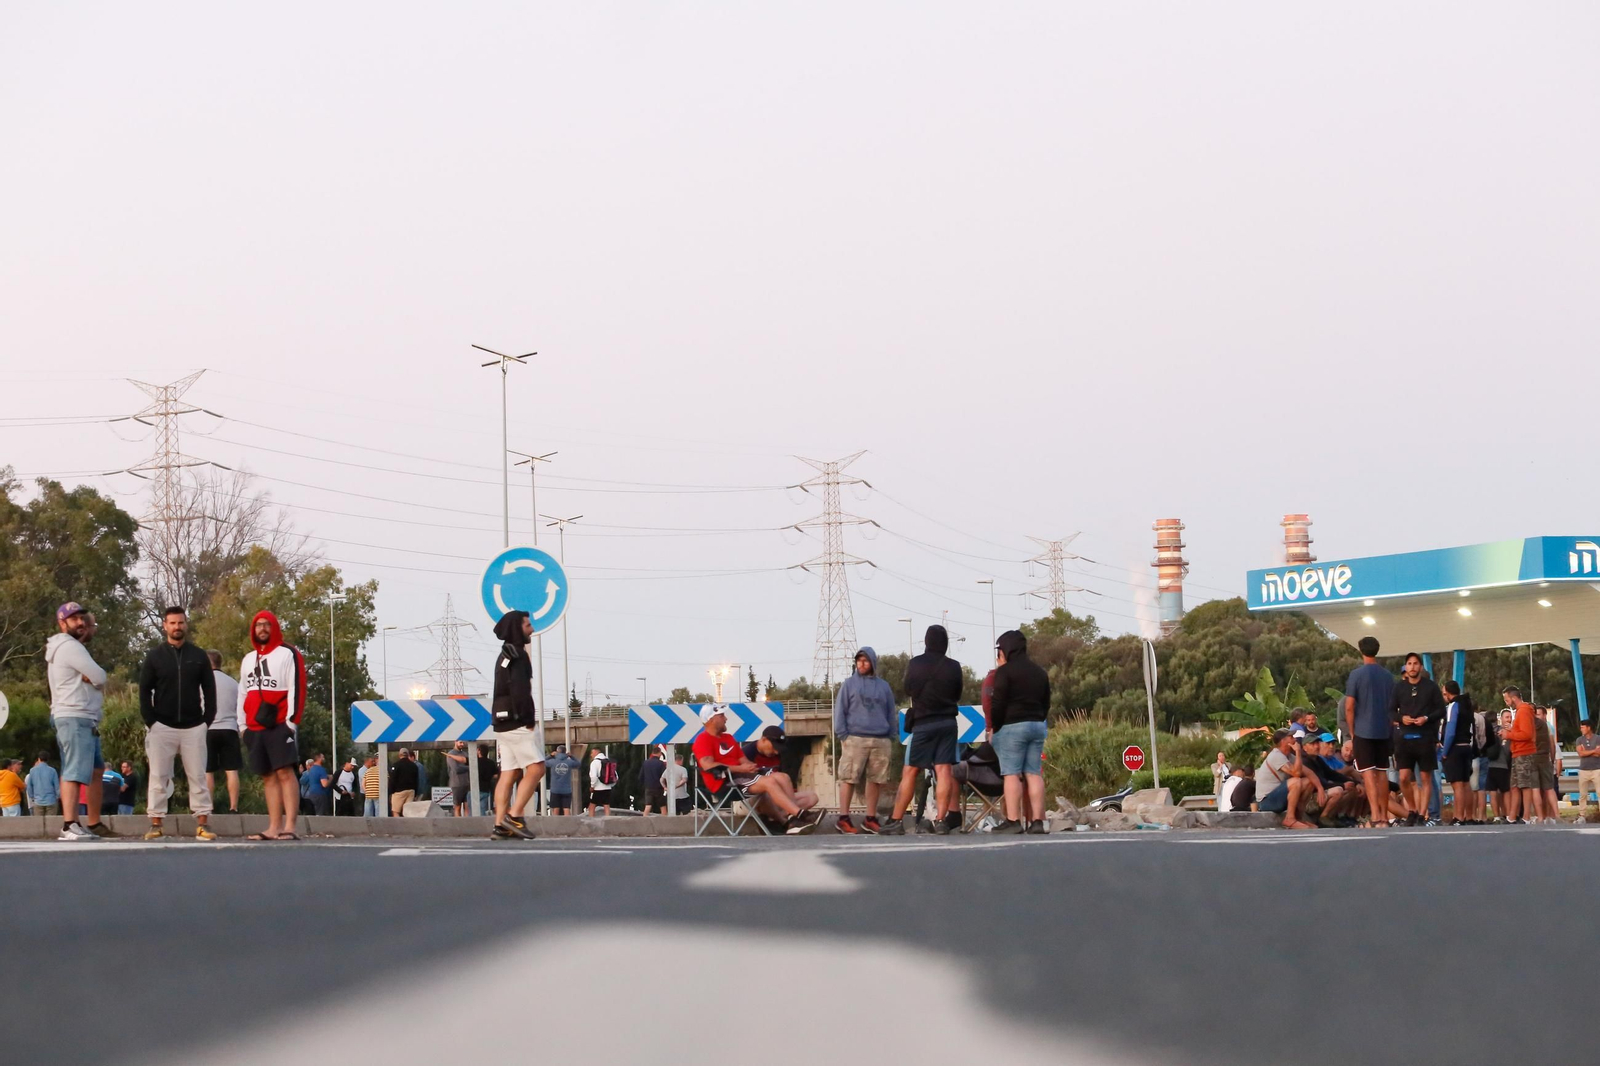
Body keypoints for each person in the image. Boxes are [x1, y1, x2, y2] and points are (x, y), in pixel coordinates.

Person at [139, 606, 217, 841]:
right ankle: (156, 823)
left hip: (194, 727)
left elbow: (210, 690)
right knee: (158, 777)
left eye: (180, 622)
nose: (177, 627)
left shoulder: (199, 655)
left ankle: (202, 824)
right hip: (162, 726)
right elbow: (144, 690)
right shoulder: (154, 656)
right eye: (172, 623)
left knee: (198, 777)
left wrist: (207, 720)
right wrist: (151, 721)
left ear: (186, 624)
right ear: (165, 625)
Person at [884, 624, 963, 836]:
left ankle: (896, 820)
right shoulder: (954, 666)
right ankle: (941, 822)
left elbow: (908, 688)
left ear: (927, 641)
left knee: (910, 771)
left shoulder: (915, 664)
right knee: (944, 770)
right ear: (945, 643)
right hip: (947, 723)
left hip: (924, 723)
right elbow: (957, 694)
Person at [46, 602, 114, 841]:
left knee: (95, 770)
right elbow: (100, 676)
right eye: (74, 619)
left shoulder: (71, 647)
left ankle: (90, 823)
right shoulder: (69, 647)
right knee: (74, 771)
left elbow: (94, 677)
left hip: (83, 717)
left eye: (82, 618)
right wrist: (94, 678)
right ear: (62, 623)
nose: (81, 622)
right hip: (74, 715)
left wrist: (92, 678)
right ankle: (69, 824)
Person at [238, 609, 307, 840]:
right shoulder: (248, 659)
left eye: (267, 624)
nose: (263, 629)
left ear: (274, 627)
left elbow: (297, 688)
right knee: (268, 776)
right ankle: (273, 826)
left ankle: (290, 826)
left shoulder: (288, 654)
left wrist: (291, 723)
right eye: (258, 625)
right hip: (254, 727)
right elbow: (242, 692)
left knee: (285, 772)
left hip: (280, 724)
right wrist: (242, 726)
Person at [692, 705, 812, 833]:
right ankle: (799, 815)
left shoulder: (729, 738)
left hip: (741, 777)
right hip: (725, 783)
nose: (725, 719)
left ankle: (793, 819)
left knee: (783, 777)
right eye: (721, 716)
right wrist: (740, 768)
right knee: (769, 782)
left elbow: (744, 761)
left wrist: (752, 768)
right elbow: (708, 765)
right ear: (711, 719)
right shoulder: (702, 740)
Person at [989, 630, 1051, 835]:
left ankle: (1013, 820)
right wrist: (1039, 717)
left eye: (1000, 650)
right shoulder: (1040, 672)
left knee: (1012, 774)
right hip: (1036, 725)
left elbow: (997, 704)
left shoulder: (1005, 673)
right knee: (1033, 773)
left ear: (1007, 649)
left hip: (1012, 727)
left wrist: (995, 727)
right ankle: (1038, 821)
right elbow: (1046, 702)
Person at [488, 610, 543, 840]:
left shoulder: (504, 655)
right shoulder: (519, 655)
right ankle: (515, 816)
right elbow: (520, 691)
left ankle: (500, 824)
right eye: (528, 625)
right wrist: (528, 719)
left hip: (501, 722)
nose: (532, 629)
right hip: (516, 721)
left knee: (508, 773)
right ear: (517, 628)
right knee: (537, 768)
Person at [832, 646, 896, 834]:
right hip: (854, 738)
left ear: (873, 663)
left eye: (865, 660)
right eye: (859, 660)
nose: (861, 663)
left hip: (880, 739)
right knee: (849, 778)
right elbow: (840, 711)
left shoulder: (884, 686)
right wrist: (842, 734)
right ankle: (843, 818)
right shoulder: (849, 684)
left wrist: (891, 734)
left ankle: (870, 818)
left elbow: (891, 711)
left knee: (876, 780)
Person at [1344, 635, 1397, 828]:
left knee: (1368, 774)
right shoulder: (1387, 676)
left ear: (1360, 650)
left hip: (1363, 731)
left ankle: (1375, 815)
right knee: (1382, 773)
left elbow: (1349, 706)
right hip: (1383, 730)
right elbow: (1393, 705)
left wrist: (1352, 731)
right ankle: (1384, 815)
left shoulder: (1356, 675)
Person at [1389, 652, 1443, 827]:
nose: (1412, 667)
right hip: (1404, 738)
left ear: (1420, 667)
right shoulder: (1399, 688)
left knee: (1425, 778)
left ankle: (1422, 814)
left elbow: (1441, 710)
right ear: (1406, 667)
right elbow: (1390, 710)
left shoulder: (1431, 687)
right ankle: (1412, 810)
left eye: (1415, 663)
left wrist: (1426, 718)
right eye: (1409, 664)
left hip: (1425, 737)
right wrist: (1400, 717)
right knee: (1404, 778)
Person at [741, 726, 819, 827]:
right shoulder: (747, 753)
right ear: (764, 740)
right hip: (750, 798)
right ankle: (786, 821)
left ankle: (785, 817)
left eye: (778, 749)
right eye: (774, 747)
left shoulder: (778, 755)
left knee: (812, 797)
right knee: (766, 794)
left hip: (776, 797)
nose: (776, 752)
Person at [204, 649, 243, 814]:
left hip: (209, 729)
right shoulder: (233, 683)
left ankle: (208, 807)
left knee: (207, 771)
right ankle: (233, 806)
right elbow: (240, 707)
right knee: (232, 770)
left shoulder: (202, 682)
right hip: (229, 728)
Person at [1255, 729, 1319, 829]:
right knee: (1296, 781)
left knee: (1308, 782)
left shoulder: (1289, 756)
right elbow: (1296, 773)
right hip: (1266, 802)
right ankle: (1289, 818)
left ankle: (1299, 818)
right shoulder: (1276, 756)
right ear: (1283, 741)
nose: (1294, 740)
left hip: (1278, 797)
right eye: (1291, 737)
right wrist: (1298, 751)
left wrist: (1320, 789)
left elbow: (1309, 773)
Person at [1439, 681, 1478, 825]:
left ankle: (1458, 817)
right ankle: (1469, 816)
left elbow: (1450, 730)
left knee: (1457, 785)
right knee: (1466, 783)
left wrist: (1445, 751)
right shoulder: (1467, 705)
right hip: (1467, 746)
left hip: (1455, 748)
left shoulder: (1453, 706)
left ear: (1448, 693)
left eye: (1444, 694)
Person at [1502, 686, 1540, 824]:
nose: (1506, 703)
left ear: (1513, 698)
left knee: (1524, 785)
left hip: (1524, 751)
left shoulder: (1523, 711)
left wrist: (1509, 734)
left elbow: (1527, 734)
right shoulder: (1520, 711)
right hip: (1517, 751)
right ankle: (1512, 816)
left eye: (1507, 699)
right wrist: (1512, 731)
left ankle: (1526, 817)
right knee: (1515, 785)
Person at [1533, 706, 1561, 822]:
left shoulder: (1529, 725)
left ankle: (1540, 817)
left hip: (1533, 758)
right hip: (1545, 758)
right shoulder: (1546, 726)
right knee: (1549, 788)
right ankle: (1557, 815)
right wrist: (1552, 759)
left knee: (1536, 789)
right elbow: (1552, 744)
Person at [1576, 720, 1600, 818]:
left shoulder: (1598, 738)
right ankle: (1582, 814)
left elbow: (1599, 754)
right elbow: (1580, 753)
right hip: (1583, 769)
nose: (1581, 729)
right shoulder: (1579, 740)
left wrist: (1586, 751)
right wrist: (1593, 751)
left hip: (1597, 769)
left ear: (1588, 727)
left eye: (1583, 727)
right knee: (1582, 794)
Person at [545, 744, 578, 814]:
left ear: (557, 751)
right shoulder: (569, 762)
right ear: (565, 752)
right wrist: (571, 756)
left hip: (555, 789)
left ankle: (555, 824)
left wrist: (550, 755)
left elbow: (542, 762)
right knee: (566, 809)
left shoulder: (552, 761)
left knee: (556, 809)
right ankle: (568, 824)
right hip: (567, 790)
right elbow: (578, 763)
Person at [25, 753, 60, 818]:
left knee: (38, 823)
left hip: (38, 800)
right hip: (51, 800)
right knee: (51, 822)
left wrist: (32, 797)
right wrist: (57, 797)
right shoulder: (52, 771)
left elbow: (29, 786)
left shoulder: (32, 771)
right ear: (48, 760)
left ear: (39, 759)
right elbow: (57, 787)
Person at [444, 741, 473, 817]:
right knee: (457, 806)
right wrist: (469, 768)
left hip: (466, 783)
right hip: (456, 784)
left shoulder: (465, 754)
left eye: (463, 743)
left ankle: (467, 824)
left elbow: (470, 764)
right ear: (455, 742)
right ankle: (459, 825)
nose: (462, 744)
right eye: (460, 742)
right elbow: (456, 769)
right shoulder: (450, 754)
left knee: (467, 807)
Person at [389, 749, 419, 816]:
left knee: (396, 811)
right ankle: (408, 825)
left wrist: (391, 791)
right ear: (408, 755)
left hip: (399, 792)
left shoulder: (396, 765)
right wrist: (415, 793)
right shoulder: (414, 766)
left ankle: (399, 825)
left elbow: (393, 779)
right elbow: (416, 780)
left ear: (399, 755)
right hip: (411, 791)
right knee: (407, 811)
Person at [587, 749, 617, 816]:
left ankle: (591, 822)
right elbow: (615, 776)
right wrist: (611, 785)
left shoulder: (594, 762)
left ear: (596, 752)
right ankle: (608, 821)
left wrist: (592, 786)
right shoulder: (609, 762)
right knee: (606, 806)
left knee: (591, 807)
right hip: (608, 788)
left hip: (597, 788)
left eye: (592, 753)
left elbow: (594, 776)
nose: (591, 755)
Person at [640, 747, 667, 814]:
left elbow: (641, 776)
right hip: (659, 788)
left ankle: (644, 820)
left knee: (648, 805)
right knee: (662, 806)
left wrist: (644, 785)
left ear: (652, 753)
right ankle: (665, 821)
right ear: (659, 753)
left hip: (648, 787)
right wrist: (665, 786)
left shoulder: (645, 763)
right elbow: (664, 776)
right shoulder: (661, 764)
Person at [475, 744, 497, 817]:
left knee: (472, 812)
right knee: (483, 812)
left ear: (479, 751)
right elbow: (495, 775)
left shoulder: (474, 762)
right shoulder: (491, 763)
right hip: (486, 789)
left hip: (474, 789)